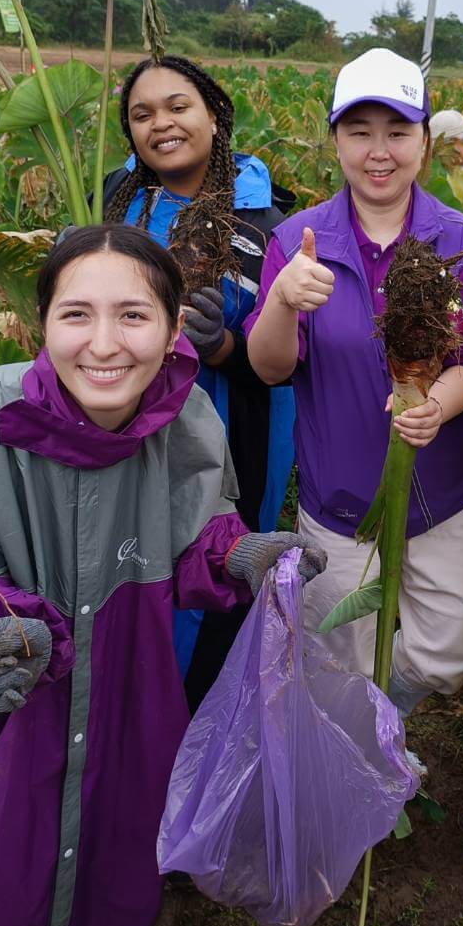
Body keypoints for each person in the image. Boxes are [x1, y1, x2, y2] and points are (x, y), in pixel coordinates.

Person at [0, 224, 325, 926]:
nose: (105, 344)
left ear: (173, 327)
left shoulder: (187, 418)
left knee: (113, 836)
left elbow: (196, 537)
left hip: (124, 681)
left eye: (134, 315)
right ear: (42, 322)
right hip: (8, 702)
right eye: (77, 314)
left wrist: (241, 555)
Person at [246, 47, 463, 722]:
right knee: (338, 663)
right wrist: (281, 304)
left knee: (445, 654)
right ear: (336, 140)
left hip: (442, 492)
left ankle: (391, 713)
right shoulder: (297, 241)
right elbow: (269, 367)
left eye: (397, 131)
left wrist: (435, 407)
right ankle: (362, 757)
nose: (378, 151)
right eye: (359, 132)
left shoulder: (462, 240)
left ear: (422, 141)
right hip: (340, 497)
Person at [100, 55, 297, 710]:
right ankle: (130, 703)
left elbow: (283, 365)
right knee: (128, 559)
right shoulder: (119, 200)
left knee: (209, 571)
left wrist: (220, 346)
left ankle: (197, 717)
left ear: (213, 115)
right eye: (142, 114)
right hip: (122, 421)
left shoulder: (265, 225)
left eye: (178, 106)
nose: (161, 124)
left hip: (227, 428)